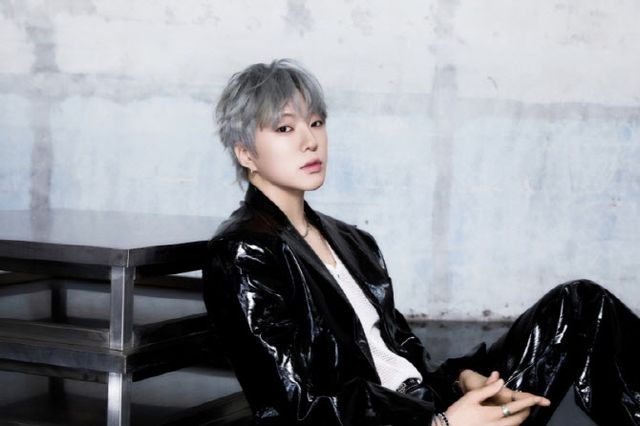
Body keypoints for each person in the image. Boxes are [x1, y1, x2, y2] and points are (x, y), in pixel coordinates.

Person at [202, 59, 640, 426]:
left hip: (428, 404)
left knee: (580, 305)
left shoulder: (351, 242)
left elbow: (404, 354)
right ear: (245, 153)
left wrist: (461, 382)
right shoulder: (244, 252)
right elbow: (296, 402)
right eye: (284, 128)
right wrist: (442, 423)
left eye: (316, 122)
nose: (310, 140)